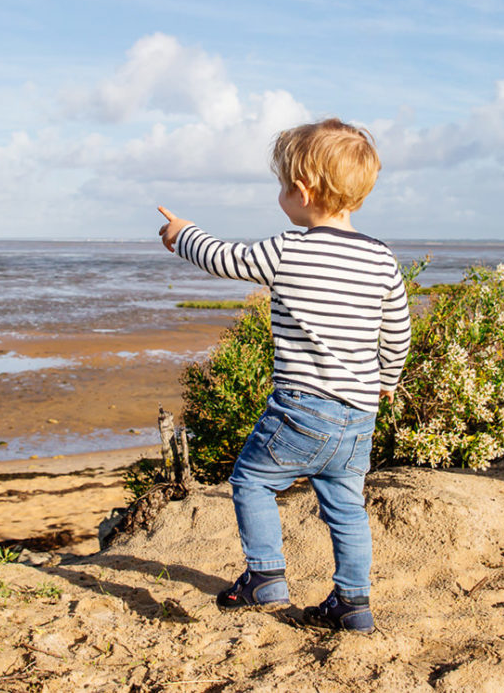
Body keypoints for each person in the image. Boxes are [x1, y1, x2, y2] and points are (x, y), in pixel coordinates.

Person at [156, 118, 410, 633]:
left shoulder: (289, 249)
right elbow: (398, 329)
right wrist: (388, 377)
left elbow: (224, 259)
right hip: (359, 415)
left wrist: (182, 235)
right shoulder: (381, 258)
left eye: (281, 184)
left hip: (302, 407)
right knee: (346, 508)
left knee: (250, 479)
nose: (280, 193)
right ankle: (353, 603)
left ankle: (266, 576)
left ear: (302, 191)